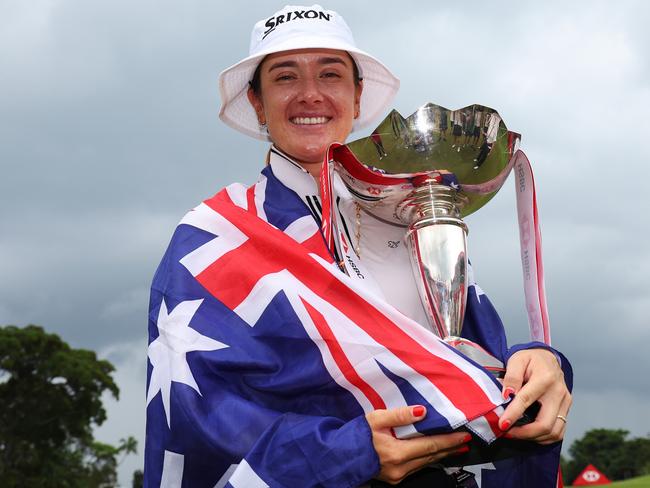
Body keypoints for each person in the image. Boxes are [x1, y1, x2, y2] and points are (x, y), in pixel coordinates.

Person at [145, 5, 572, 487]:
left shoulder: (412, 212)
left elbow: (467, 364)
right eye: (285, 77)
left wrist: (537, 362)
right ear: (259, 102)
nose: (310, 94)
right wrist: (345, 453)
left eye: (330, 73)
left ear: (356, 95)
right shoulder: (214, 236)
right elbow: (201, 415)